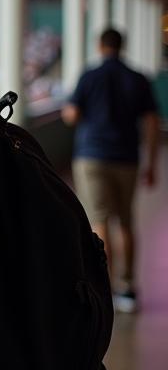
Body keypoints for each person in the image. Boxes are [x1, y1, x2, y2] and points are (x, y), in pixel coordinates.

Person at [62, 27, 160, 313]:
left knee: (99, 222)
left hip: (92, 157)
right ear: (122, 46)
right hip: (127, 157)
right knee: (126, 222)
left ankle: (103, 285)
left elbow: (71, 114)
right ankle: (127, 288)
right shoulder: (137, 78)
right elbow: (152, 122)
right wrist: (151, 162)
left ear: (99, 46)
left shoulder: (89, 75)